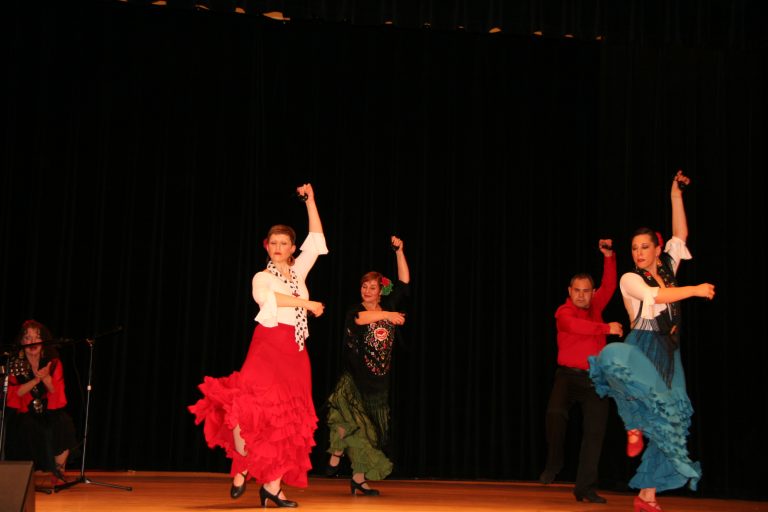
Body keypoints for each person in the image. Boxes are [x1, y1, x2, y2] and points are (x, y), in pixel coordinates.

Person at [189, 183, 328, 509]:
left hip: (295, 352)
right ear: (267, 246)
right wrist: (307, 304)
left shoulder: (298, 271)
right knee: (248, 405)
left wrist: (310, 201)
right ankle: (243, 463)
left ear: (292, 248)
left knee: (287, 423)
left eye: (284, 243)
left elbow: (317, 241)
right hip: (268, 347)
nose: (278, 247)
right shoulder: (262, 276)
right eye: (273, 243)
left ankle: (272, 488)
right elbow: (267, 299)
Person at [588, 171, 715, 512]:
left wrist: (676, 194)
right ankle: (633, 425)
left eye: (645, 247)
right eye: (634, 248)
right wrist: (696, 289)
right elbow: (654, 296)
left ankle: (647, 494)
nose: (639, 253)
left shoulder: (669, 267)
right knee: (614, 362)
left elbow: (680, 234)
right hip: (641, 345)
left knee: (673, 420)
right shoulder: (630, 279)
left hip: (669, 353)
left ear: (658, 250)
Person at [324, 236, 410, 496]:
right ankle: (336, 451)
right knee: (345, 415)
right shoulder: (355, 310)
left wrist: (399, 252)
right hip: (355, 379)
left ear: (381, 291)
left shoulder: (389, 304)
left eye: (373, 287)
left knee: (368, 435)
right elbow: (361, 320)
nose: (368, 291)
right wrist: (387, 315)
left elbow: (404, 282)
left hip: (378, 384)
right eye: (364, 286)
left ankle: (358, 480)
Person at [539, 240, 624, 504]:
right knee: (555, 413)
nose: (581, 295)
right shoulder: (564, 312)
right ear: (570, 291)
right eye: (577, 290)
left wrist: (609, 257)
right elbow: (575, 327)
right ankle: (555, 462)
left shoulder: (596, 306)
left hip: (595, 379)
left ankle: (584, 488)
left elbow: (610, 285)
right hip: (567, 376)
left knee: (595, 433)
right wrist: (606, 328)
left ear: (592, 293)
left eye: (586, 291)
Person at [7, 319, 78, 485]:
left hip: (48, 409)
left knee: (63, 422)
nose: (32, 341)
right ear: (21, 342)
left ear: (44, 341)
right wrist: (35, 380)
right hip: (24, 411)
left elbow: (57, 392)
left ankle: (59, 472)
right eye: (28, 337)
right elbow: (13, 394)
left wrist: (46, 378)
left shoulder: (54, 363)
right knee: (27, 425)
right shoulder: (15, 364)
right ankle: (27, 475)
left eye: (37, 337)